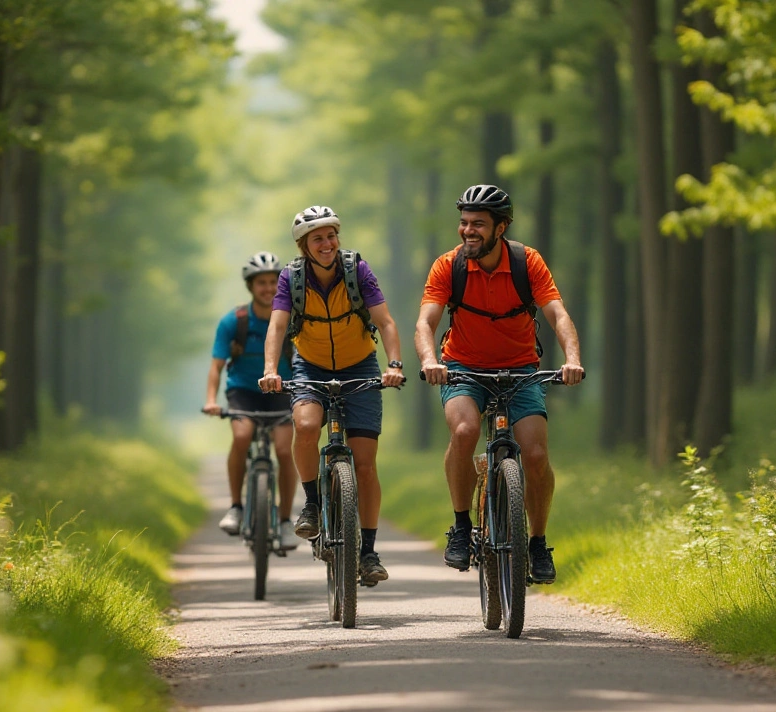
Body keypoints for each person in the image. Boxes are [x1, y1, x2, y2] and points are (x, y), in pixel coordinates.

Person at [415, 185, 584, 584]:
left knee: (536, 455)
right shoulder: (448, 266)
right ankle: (460, 527)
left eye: (478, 224)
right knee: (465, 430)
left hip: (521, 368)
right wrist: (429, 360)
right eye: (464, 223)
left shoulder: (528, 262)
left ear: (501, 227)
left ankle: (538, 543)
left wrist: (572, 359)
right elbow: (426, 322)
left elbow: (558, 315)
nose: (467, 231)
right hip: (463, 368)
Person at [259, 205, 406, 587]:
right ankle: (311, 501)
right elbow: (276, 327)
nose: (327, 243)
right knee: (306, 425)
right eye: (318, 238)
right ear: (304, 245)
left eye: (331, 235)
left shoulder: (357, 270)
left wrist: (394, 364)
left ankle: (368, 551)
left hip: (360, 367)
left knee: (365, 464)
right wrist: (272, 370)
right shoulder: (290, 278)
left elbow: (385, 321)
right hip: (310, 366)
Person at [204, 252, 298, 548]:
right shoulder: (234, 321)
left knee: (284, 450)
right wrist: (211, 400)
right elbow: (217, 366)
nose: (268, 288)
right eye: (261, 283)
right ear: (250, 286)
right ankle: (236, 506)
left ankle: (284, 521)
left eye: (273, 282)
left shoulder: (292, 318)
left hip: (282, 390)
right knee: (242, 436)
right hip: (243, 390)